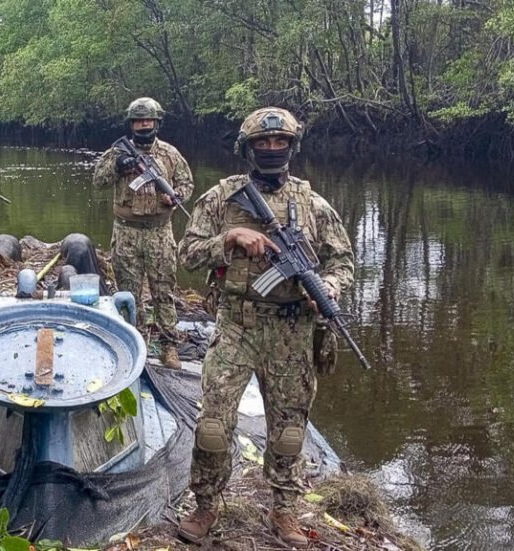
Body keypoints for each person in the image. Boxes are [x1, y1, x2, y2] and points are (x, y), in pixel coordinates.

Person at [176, 107, 354, 547]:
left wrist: (327, 288)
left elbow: (343, 261)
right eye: (263, 143)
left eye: (280, 143)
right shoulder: (222, 198)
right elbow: (187, 253)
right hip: (238, 325)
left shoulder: (313, 204)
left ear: (292, 147)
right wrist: (230, 239)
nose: (272, 150)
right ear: (248, 147)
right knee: (214, 425)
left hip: (293, 331)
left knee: (290, 430)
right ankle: (205, 505)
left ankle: (285, 510)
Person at [92, 97, 194, 369]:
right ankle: (131, 340)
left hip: (160, 232)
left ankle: (169, 344)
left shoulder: (170, 154)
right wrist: (118, 166)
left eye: (148, 120)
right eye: (139, 121)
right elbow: (98, 181)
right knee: (128, 291)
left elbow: (186, 182)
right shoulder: (117, 152)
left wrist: (177, 197)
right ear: (132, 124)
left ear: (157, 122)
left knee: (164, 289)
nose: (144, 125)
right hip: (126, 232)